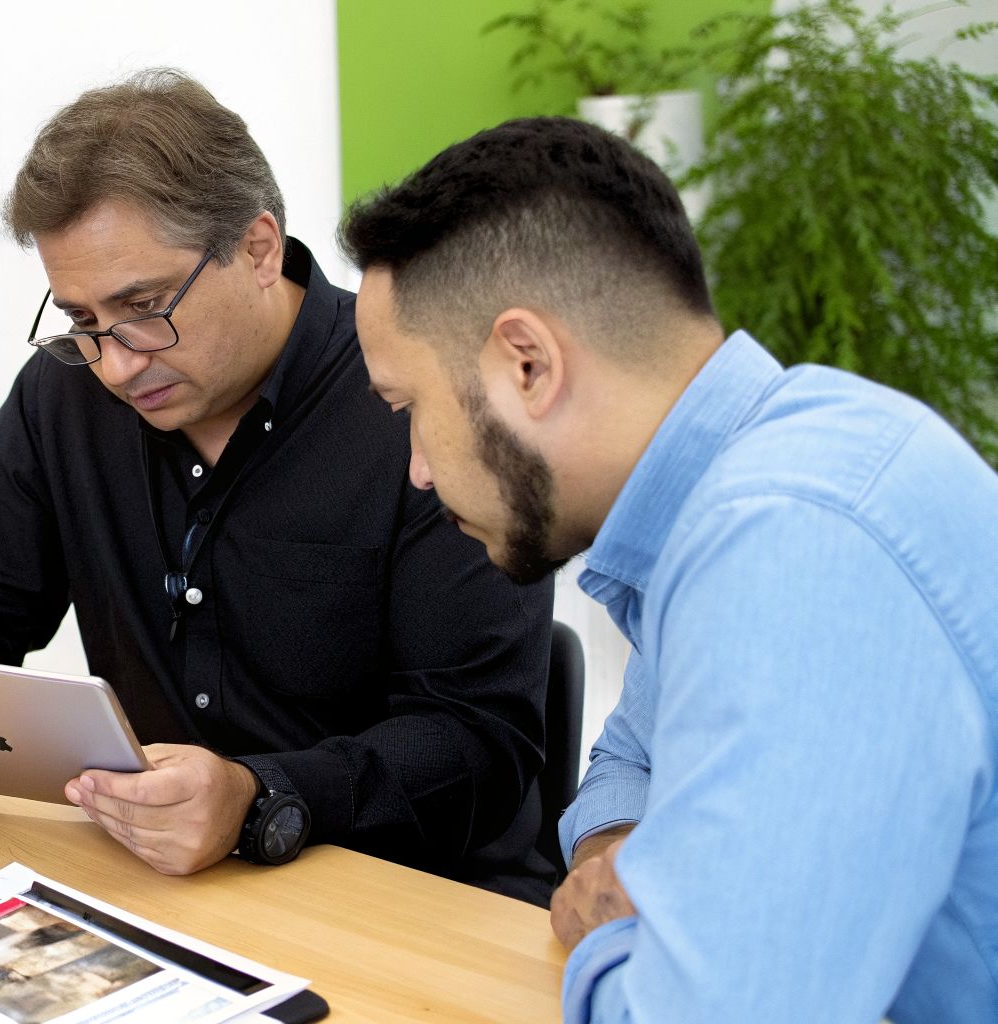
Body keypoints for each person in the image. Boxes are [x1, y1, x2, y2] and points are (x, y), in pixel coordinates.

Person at [0, 69, 557, 902]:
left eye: (143, 306)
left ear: (256, 249)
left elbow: (480, 744)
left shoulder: (418, 401)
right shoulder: (62, 397)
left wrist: (261, 795)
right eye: (80, 321)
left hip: (415, 897)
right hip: (166, 887)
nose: (114, 363)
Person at [342, 115, 998, 1022]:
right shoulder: (754, 476)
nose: (415, 467)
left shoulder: (796, 548)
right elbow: (630, 757)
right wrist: (629, 861)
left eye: (407, 405)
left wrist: (618, 933)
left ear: (526, 363)